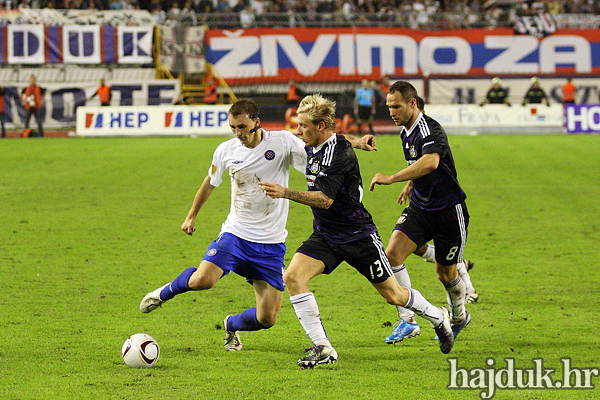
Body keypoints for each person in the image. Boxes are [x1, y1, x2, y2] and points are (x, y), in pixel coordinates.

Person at [139, 98, 376, 352]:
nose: (238, 133)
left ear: (256, 122)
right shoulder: (226, 150)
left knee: (267, 319)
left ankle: (231, 325)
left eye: (242, 126)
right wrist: (191, 215)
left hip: (271, 242)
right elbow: (209, 182)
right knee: (203, 280)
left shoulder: (282, 142)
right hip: (236, 233)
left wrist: (359, 142)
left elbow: (325, 141)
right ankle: (164, 292)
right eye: (233, 128)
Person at [258, 93, 456, 369]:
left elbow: (324, 200)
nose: (298, 130)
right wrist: (360, 141)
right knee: (293, 277)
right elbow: (341, 136)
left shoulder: (337, 155)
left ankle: (437, 316)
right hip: (326, 235)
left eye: (303, 125)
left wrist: (284, 192)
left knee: (394, 295)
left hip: (358, 236)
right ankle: (323, 347)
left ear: (321, 127)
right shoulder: (322, 140)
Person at [370, 81, 471, 347]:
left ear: (412, 103)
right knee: (390, 256)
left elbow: (431, 161)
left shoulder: (429, 128)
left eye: (396, 106)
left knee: (445, 274)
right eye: (389, 107)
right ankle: (408, 320)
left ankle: (459, 317)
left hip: (448, 211)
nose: (391, 112)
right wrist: (409, 183)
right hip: (420, 208)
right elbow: (418, 164)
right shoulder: (406, 130)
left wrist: (392, 177)